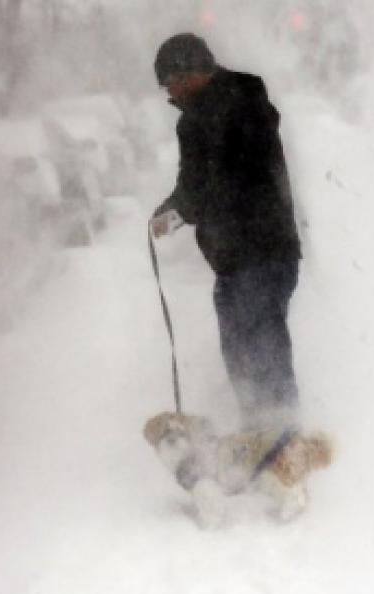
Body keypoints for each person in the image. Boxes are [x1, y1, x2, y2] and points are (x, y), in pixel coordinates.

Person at [148, 33, 303, 433]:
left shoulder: (237, 104)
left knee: (263, 351)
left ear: (189, 74)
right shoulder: (207, 113)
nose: (171, 93)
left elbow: (222, 179)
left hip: (261, 253)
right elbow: (194, 183)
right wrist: (170, 210)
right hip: (236, 261)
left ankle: (284, 440)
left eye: (172, 83)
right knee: (241, 354)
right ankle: (260, 434)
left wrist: (182, 211)